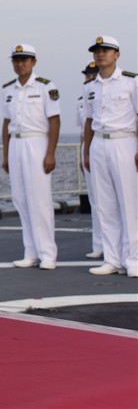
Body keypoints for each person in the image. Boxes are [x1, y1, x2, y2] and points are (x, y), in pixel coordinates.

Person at [0, 44, 60, 269]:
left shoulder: (45, 87)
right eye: (16, 60)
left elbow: (55, 121)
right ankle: (31, 251)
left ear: (33, 62)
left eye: (24, 60)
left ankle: (47, 254)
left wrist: (50, 152)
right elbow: (6, 124)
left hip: (37, 142)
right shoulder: (8, 89)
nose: (20, 64)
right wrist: (6, 154)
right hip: (16, 143)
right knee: (21, 199)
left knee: (40, 201)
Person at [81, 36, 137, 277]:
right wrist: (86, 150)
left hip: (124, 141)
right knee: (105, 205)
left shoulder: (131, 82)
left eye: (106, 50)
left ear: (117, 55)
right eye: (97, 51)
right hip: (99, 144)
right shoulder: (90, 87)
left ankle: (133, 259)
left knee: (129, 203)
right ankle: (112, 259)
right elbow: (88, 120)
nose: (100, 54)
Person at [77, 61, 104, 260]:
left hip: (106, 144)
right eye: (87, 75)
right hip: (90, 149)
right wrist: (82, 154)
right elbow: (83, 131)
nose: (89, 78)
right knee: (95, 200)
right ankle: (99, 244)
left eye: (92, 75)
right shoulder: (83, 99)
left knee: (112, 200)